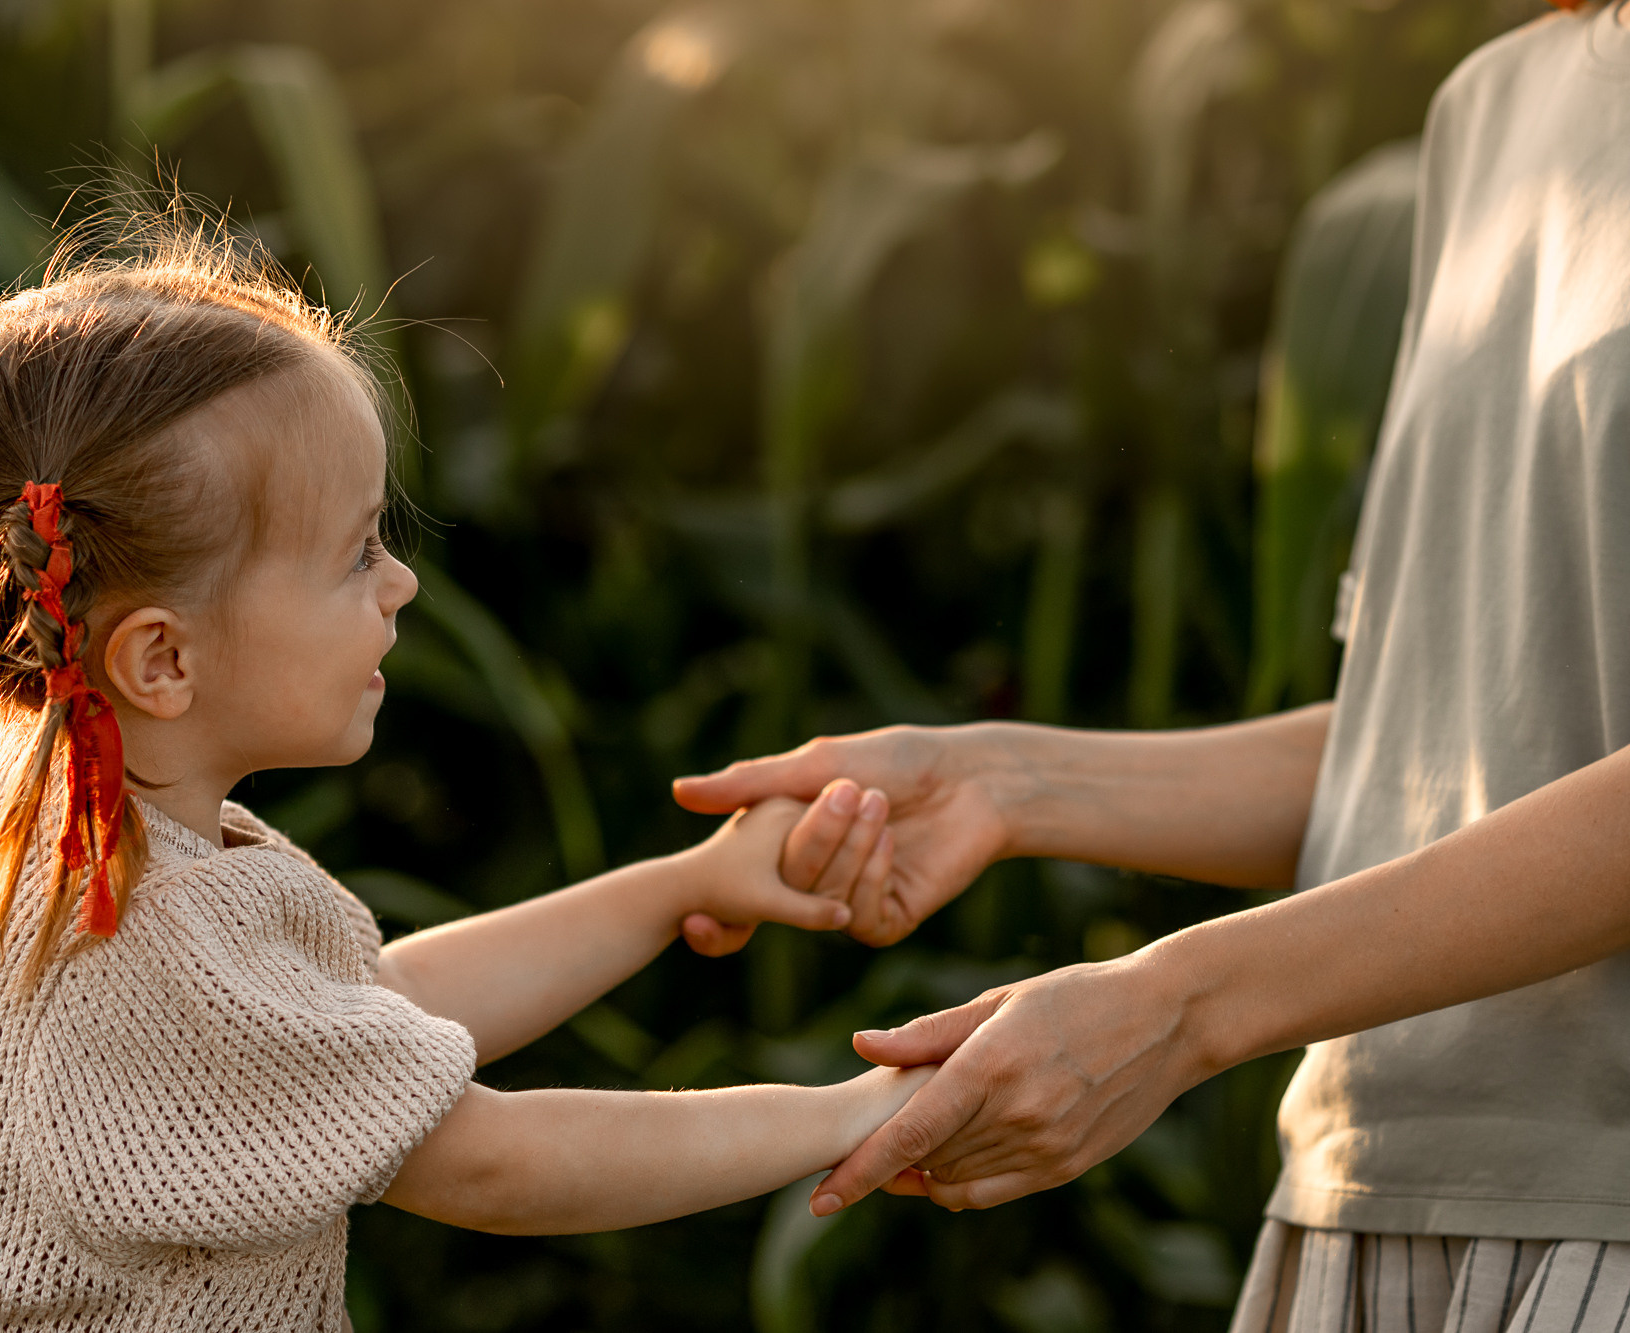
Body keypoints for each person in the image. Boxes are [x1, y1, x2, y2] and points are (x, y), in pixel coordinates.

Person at [677, 2, 1630, 1329]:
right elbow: (1451, 740)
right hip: (1375, 1199)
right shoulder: (1495, 107)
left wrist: (1179, 1008)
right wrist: (1006, 782)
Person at [0, 226, 922, 1332]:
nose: (399, 582)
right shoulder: (141, 943)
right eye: (355, 552)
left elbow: (369, 1011)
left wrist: (683, 885)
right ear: (162, 660)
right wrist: (859, 1113)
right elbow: (491, 1165)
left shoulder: (96, 844)